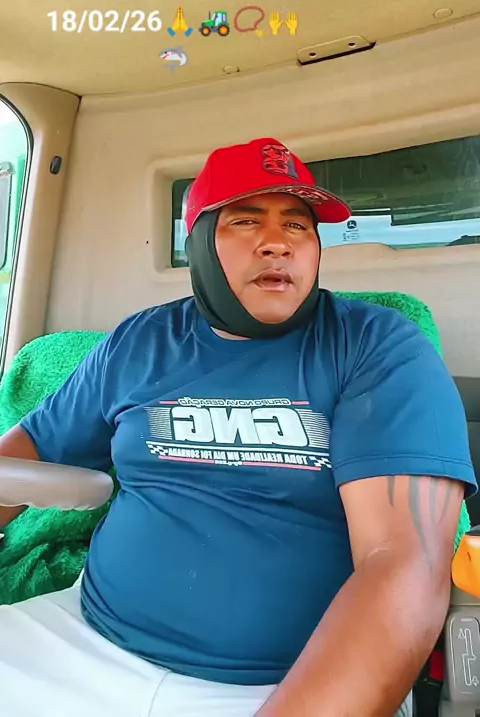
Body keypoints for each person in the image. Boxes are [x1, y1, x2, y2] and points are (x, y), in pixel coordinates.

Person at [0, 136, 476, 717]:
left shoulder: (375, 346)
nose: (278, 242)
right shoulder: (138, 342)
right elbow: (23, 457)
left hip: (285, 683)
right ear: (199, 241)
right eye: (246, 220)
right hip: (80, 637)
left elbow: (402, 564)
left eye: (297, 225)